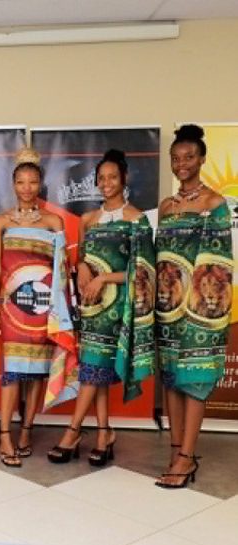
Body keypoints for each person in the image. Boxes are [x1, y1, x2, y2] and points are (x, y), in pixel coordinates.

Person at [47, 149, 155, 466]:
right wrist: (82, 267)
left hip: (117, 309)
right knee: (98, 371)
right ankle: (105, 433)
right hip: (91, 307)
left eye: (112, 177)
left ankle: (73, 431)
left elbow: (144, 270)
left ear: (124, 179)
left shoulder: (137, 219)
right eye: (101, 178)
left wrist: (105, 277)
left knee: (93, 371)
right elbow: (81, 257)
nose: (106, 183)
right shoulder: (87, 219)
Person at [154, 124, 233, 488]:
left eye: (188, 157)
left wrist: (197, 302)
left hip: (200, 312)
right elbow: (160, 258)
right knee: (171, 380)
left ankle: (187, 458)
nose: (181, 164)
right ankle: (175, 451)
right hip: (168, 308)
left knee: (195, 380)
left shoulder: (215, 204)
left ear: (202, 159)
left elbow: (219, 263)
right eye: (175, 158)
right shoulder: (166, 207)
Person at [0, 148, 77, 467]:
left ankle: (27, 430)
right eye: (21, 182)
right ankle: (5, 435)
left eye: (32, 182)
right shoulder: (1, 221)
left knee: (39, 372)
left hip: (44, 308)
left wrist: (61, 311)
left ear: (40, 185)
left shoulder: (54, 222)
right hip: (12, 309)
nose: (27, 188)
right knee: (13, 373)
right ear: (13, 185)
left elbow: (61, 269)